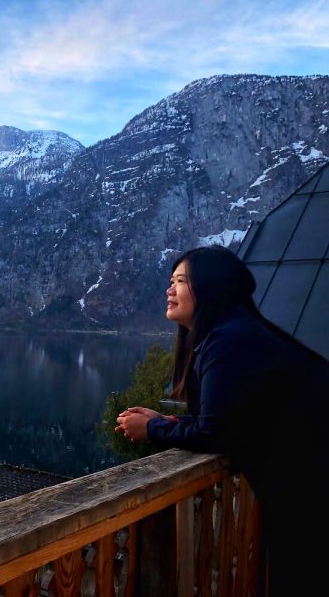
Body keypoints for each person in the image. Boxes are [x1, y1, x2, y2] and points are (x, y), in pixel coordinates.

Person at [114, 245, 329, 596]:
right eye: (171, 281)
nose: (169, 289)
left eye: (180, 281)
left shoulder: (229, 340)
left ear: (212, 287)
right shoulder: (236, 333)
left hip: (312, 500)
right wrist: (169, 421)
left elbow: (215, 432)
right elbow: (230, 418)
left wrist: (152, 428)